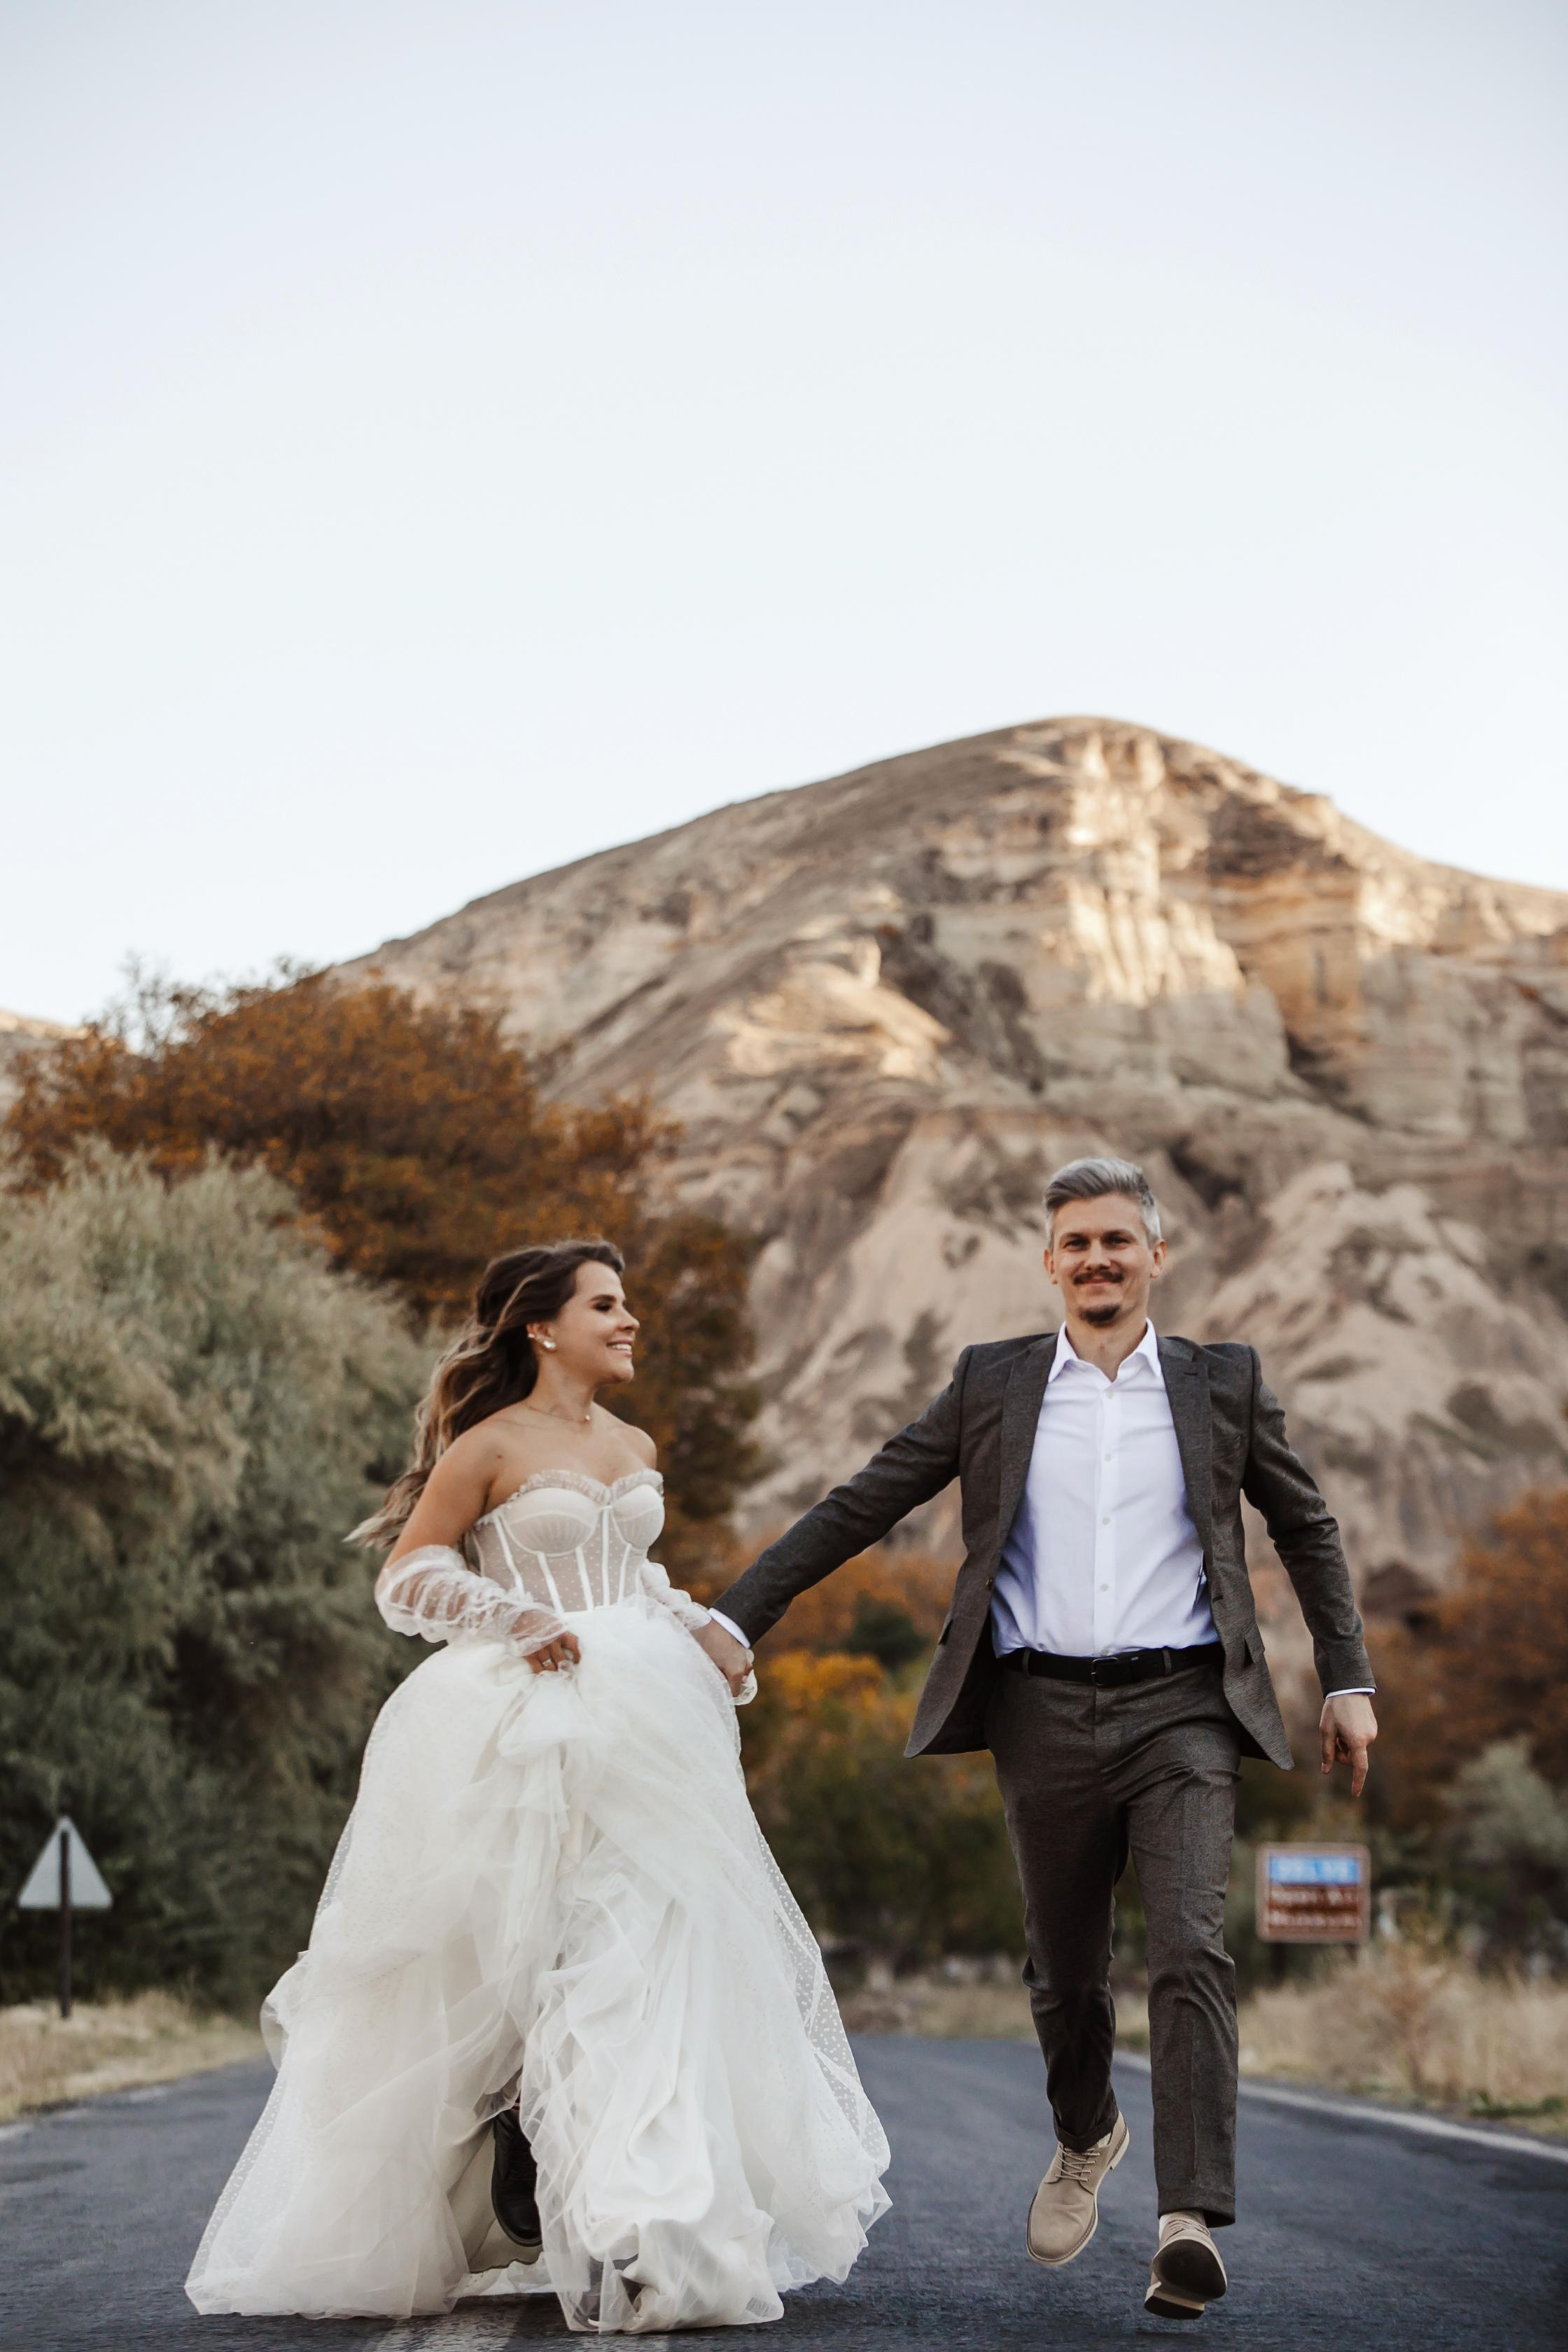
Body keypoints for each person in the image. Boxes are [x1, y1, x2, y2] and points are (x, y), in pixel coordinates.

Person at [697, 1156, 1378, 2324]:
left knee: (1190, 1949)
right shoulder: (993, 1384)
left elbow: (1306, 1525)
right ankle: (1085, 2134)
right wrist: (733, 1613)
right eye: (1078, 1243)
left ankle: (1186, 2221)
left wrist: (1349, 1678)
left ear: (1159, 1256)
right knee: (1066, 1978)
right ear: (1050, 1260)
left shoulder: (1223, 1384)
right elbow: (867, 1500)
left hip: (1185, 1710)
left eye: (1121, 1240)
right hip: (1040, 1711)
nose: (1100, 1260)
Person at [186, 1238, 888, 2334]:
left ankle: (652, 2227)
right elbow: (409, 1573)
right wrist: (511, 1615)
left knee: (647, 1962)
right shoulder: (488, 1444)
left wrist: (702, 1625)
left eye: (629, 1305)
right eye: (607, 1305)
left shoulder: (634, 1441)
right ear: (541, 1327)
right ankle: (519, 2136)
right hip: (524, 1722)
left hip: (650, 1723)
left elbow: (635, 1574)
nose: (630, 1322)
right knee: (530, 1962)